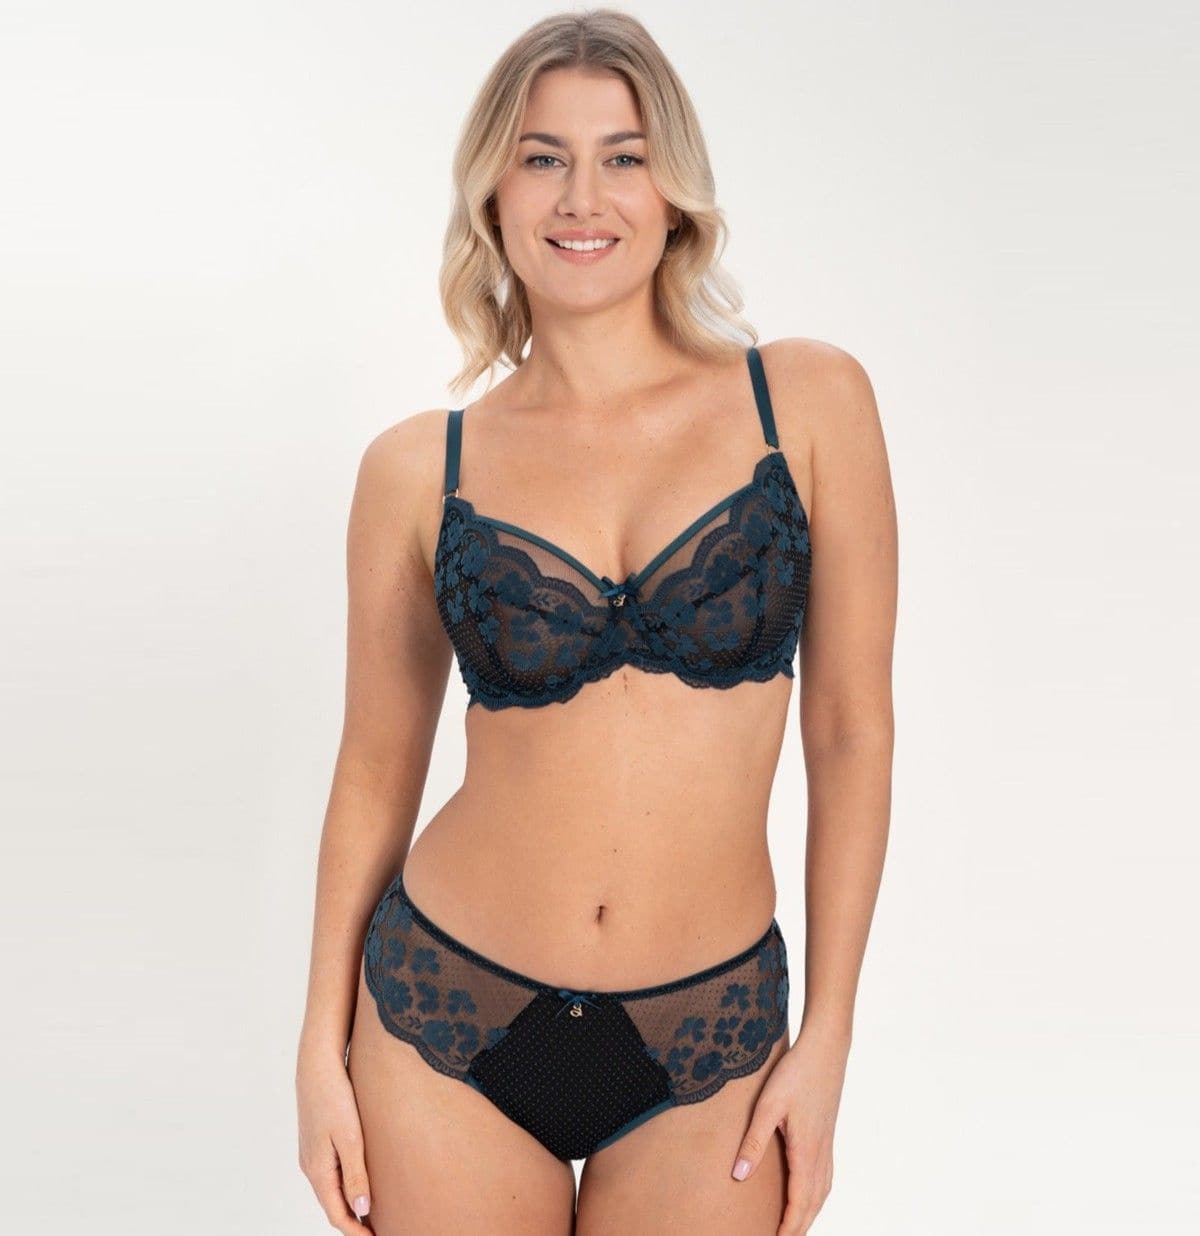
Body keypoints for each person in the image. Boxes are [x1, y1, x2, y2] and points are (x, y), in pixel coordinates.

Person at [296, 10, 897, 1234]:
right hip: (442, 1014)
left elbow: (850, 731)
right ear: (494, 195)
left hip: (713, 1035)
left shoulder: (805, 402)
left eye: (623, 156)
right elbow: (372, 770)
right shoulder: (417, 468)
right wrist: (317, 1047)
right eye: (542, 157)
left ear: (674, 193)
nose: (583, 197)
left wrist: (830, 1033)